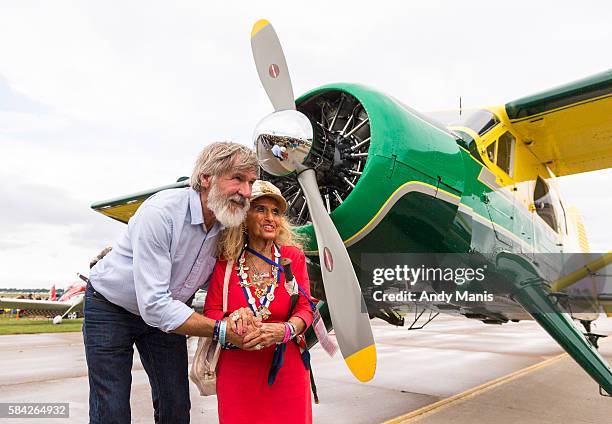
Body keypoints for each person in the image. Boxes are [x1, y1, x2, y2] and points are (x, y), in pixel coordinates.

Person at [84, 142, 260, 424]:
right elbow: (154, 305)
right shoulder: (161, 213)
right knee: (112, 409)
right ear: (206, 178)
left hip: (171, 313)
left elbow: (233, 281)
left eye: (251, 182)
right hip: (111, 307)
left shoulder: (229, 224)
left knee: (176, 407)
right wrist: (222, 330)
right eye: (237, 179)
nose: (247, 192)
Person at [204, 180, 314, 424]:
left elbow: (306, 308)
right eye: (260, 209)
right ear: (244, 216)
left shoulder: (291, 258)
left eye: (275, 212)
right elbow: (211, 311)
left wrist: (285, 330)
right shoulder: (228, 260)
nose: (270, 218)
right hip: (237, 370)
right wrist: (232, 319)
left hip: (287, 367)